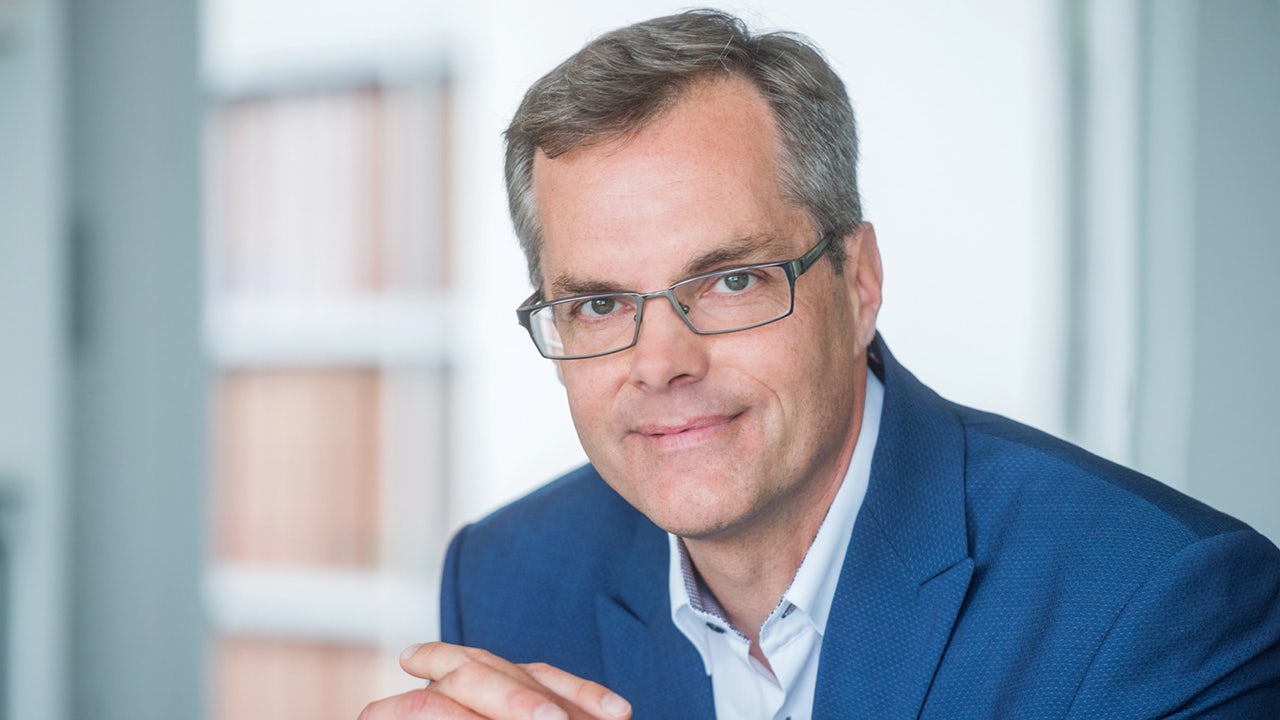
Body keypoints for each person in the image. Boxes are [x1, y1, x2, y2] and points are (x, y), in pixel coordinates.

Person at [360, 9, 1280, 719]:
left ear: (860, 282)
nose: (660, 363)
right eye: (599, 303)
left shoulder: (1164, 607)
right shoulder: (507, 578)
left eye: (729, 281)